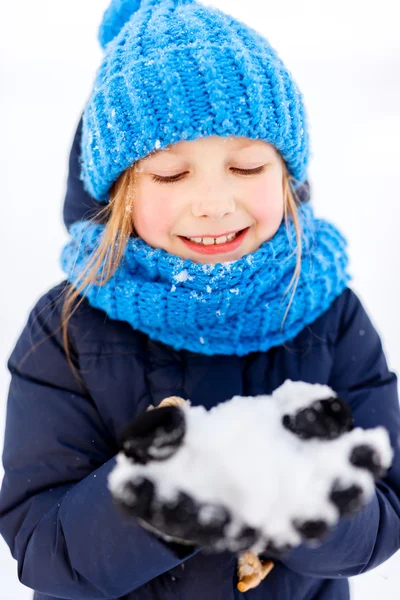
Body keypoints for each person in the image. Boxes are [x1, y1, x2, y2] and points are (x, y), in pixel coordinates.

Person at [0, 0, 399, 598]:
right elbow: (40, 543)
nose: (213, 202)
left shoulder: (329, 314)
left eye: (246, 166)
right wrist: (158, 500)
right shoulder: (68, 327)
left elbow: (386, 513)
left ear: (287, 177)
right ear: (120, 192)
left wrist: (317, 497)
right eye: (169, 174)